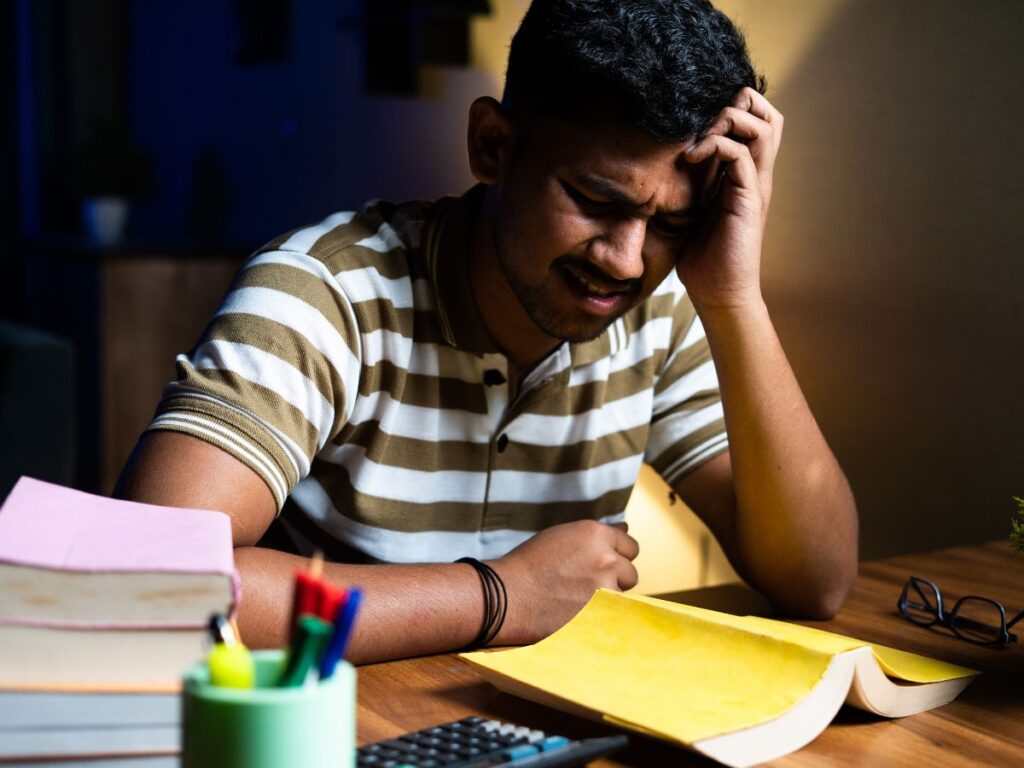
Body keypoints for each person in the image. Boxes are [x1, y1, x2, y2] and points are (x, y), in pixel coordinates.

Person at [116, 0, 857, 663]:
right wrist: (500, 596)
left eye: (671, 223)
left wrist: (733, 299)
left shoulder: (660, 312)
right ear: (492, 146)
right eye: (594, 199)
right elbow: (147, 585)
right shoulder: (325, 291)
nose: (625, 260)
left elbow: (817, 582)